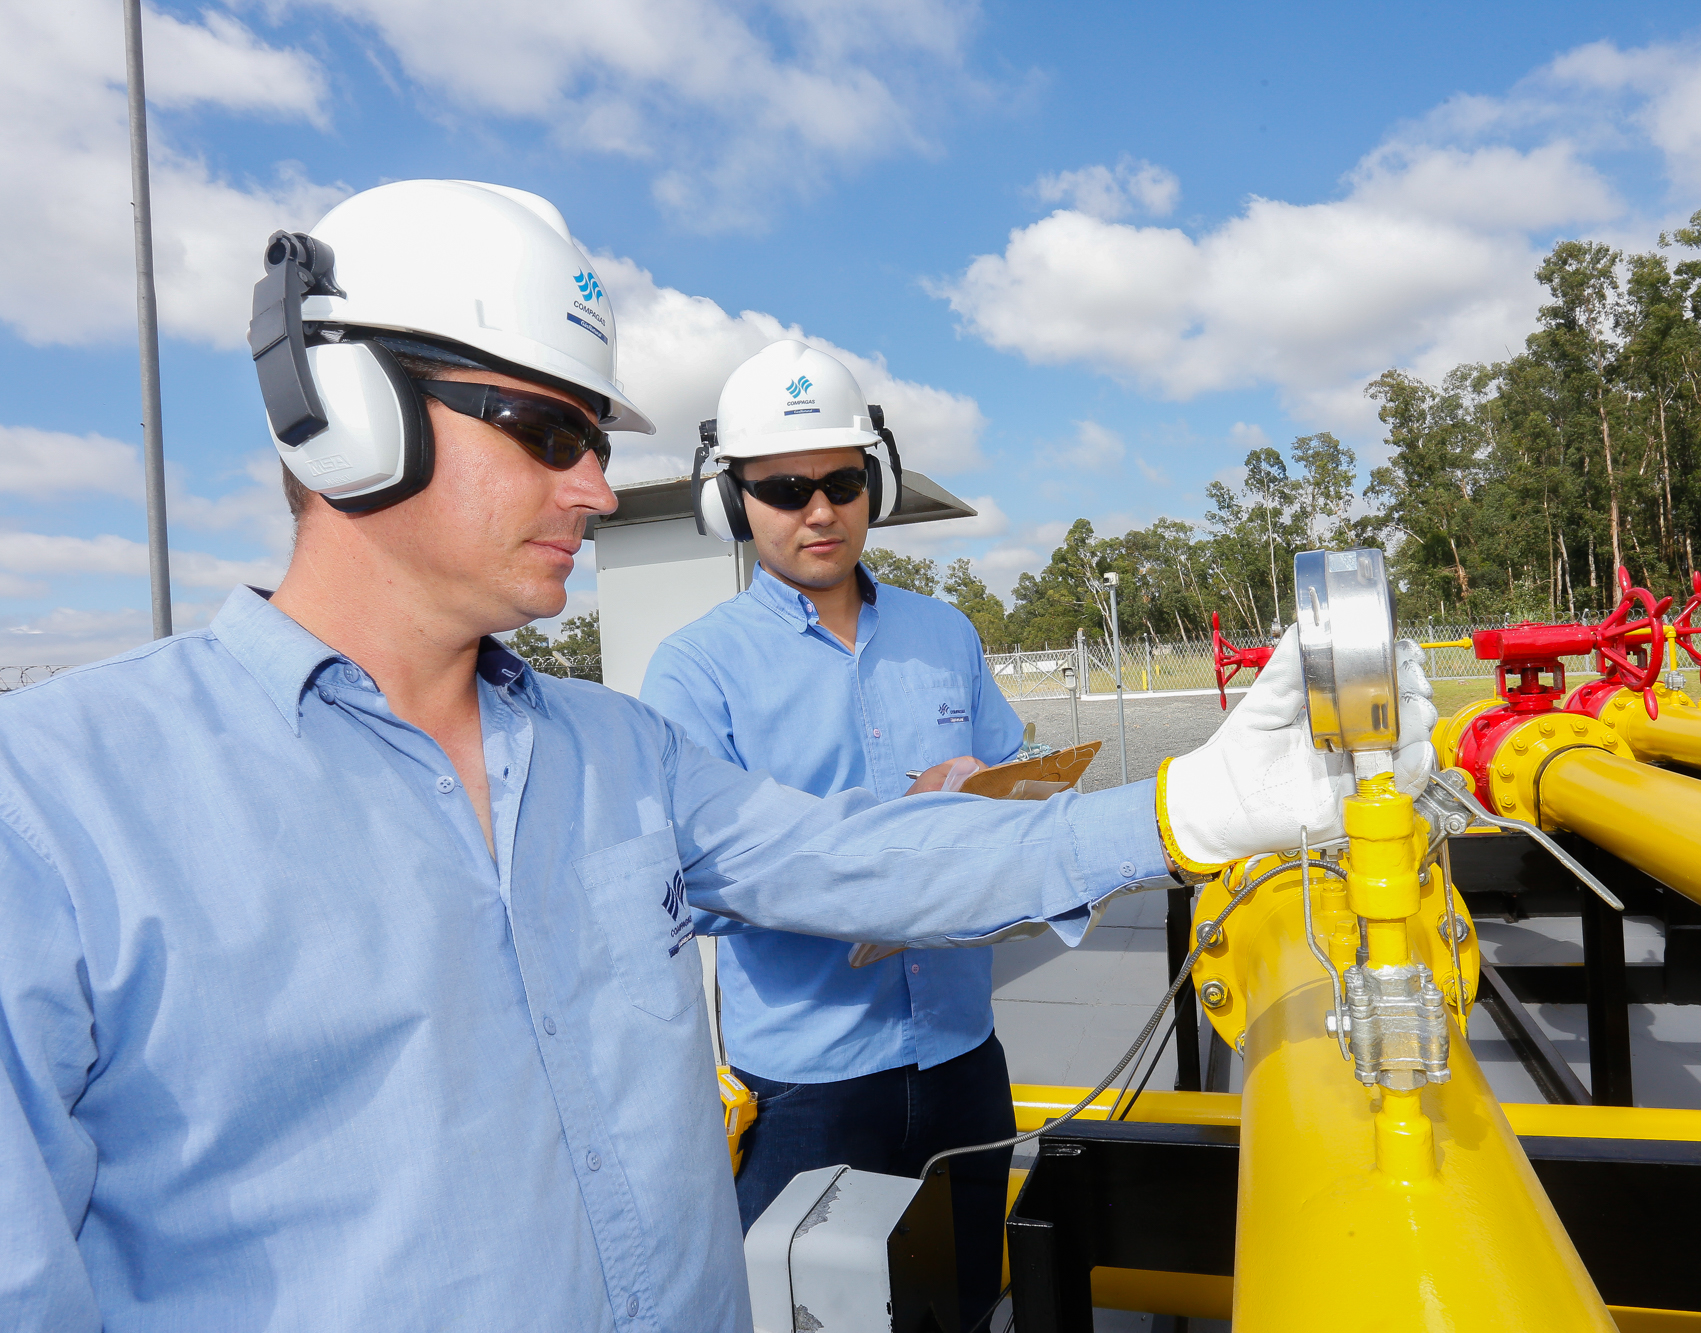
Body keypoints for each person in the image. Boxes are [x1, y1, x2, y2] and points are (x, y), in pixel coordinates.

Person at [0, 180, 1434, 1332]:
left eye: (593, 437)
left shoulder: (619, 754)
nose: (589, 484)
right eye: (547, 428)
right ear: (344, 411)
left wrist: (1195, 803)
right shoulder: (60, 808)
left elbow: (865, 863)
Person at [640, 340, 1022, 1321]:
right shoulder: (695, 670)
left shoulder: (946, 634)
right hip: (807, 1086)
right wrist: (886, 854)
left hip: (960, 1053)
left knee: (963, 1305)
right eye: (783, 489)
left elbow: (1018, 796)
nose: (819, 510)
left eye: (842, 482)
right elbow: (696, 881)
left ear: (874, 485)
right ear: (733, 502)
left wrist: (990, 800)